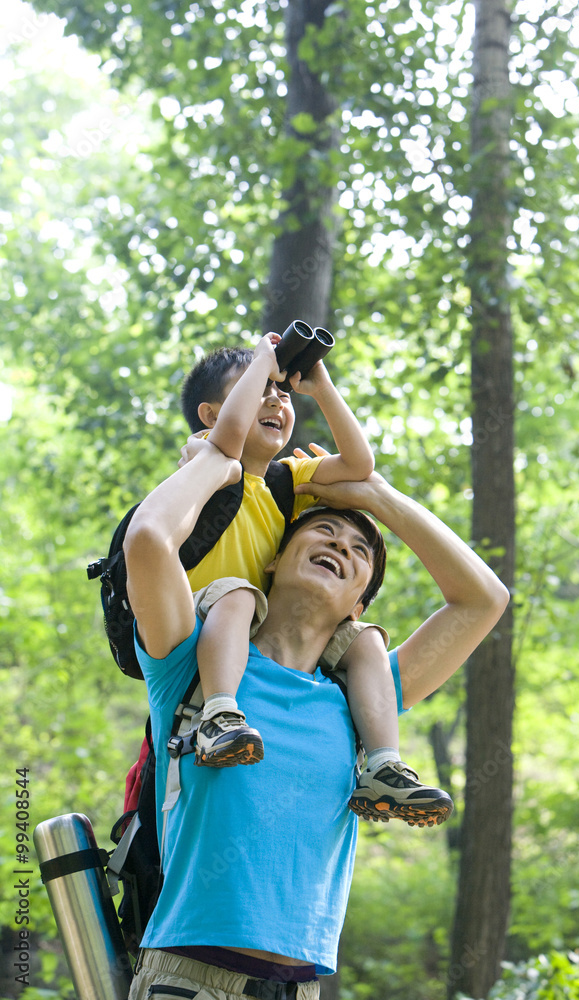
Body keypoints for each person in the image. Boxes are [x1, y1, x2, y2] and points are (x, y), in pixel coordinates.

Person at [123, 432, 509, 998]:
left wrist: (376, 494)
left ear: (359, 605)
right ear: (275, 558)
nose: (342, 545)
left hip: (301, 986)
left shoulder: (364, 700)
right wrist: (219, 461)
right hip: (187, 976)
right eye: (324, 530)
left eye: (361, 552)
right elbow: (150, 540)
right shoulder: (194, 661)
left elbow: (483, 599)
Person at [176, 330, 451, 822]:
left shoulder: (287, 480)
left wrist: (320, 387)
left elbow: (360, 465)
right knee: (238, 596)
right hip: (199, 620)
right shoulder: (205, 457)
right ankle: (217, 713)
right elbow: (231, 436)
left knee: (363, 640)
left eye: (282, 395)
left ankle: (384, 766)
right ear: (210, 415)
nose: (276, 400)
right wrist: (264, 358)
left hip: (259, 627)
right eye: (260, 388)